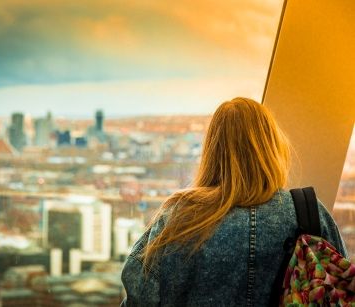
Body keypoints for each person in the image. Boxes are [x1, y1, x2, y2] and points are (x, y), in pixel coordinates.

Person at [120, 97, 347, 306]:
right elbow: (341, 289)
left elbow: (138, 299)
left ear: (212, 151)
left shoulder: (178, 219)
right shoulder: (307, 213)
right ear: (272, 147)